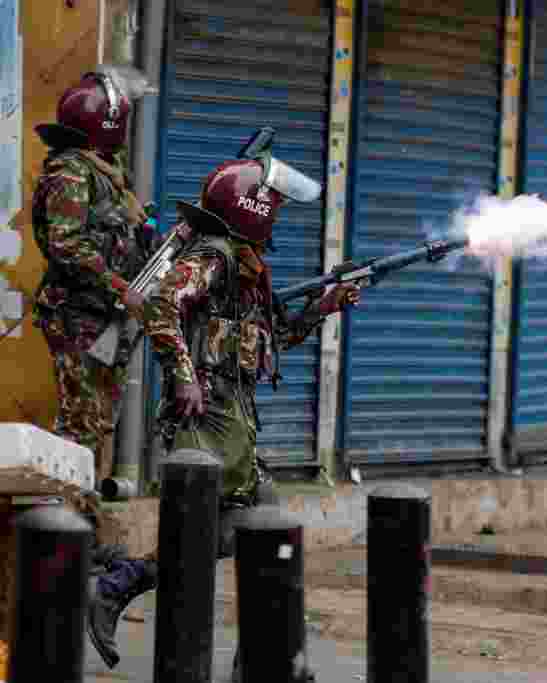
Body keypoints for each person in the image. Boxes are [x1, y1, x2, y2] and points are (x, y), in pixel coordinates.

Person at [86, 148, 361, 673]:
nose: (277, 213)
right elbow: (164, 304)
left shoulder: (247, 268)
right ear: (253, 210)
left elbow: (271, 337)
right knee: (218, 537)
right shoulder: (214, 256)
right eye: (272, 206)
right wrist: (185, 376)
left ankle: (264, 658)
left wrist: (324, 306)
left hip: (235, 418)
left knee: (266, 530)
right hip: (206, 417)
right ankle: (121, 589)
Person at [30, 66, 182, 484]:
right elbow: (67, 244)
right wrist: (121, 288)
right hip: (78, 315)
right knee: (80, 428)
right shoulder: (72, 172)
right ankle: (65, 532)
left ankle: (82, 531)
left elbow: (115, 239)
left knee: (95, 425)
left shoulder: (106, 172)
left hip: (102, 316)